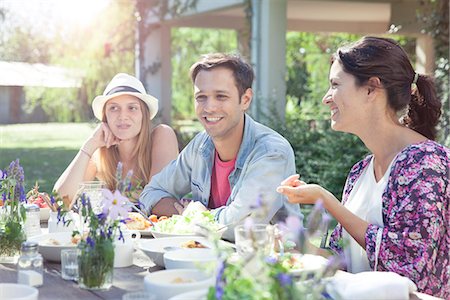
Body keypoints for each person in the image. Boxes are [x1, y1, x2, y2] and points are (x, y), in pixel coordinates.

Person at [277, 36, 449, 298]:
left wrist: (328, 201)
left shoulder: (426, 163)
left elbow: (410, 272)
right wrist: (293, 242)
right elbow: (344, 261)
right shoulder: (360, 171)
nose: (326, 98)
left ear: (371, 89)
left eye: (335, 85)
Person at [139, 53, 302, 240]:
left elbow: (240, 227)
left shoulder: (271, 152)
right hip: (206, 258)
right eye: (201, 97)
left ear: (246, 99)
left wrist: (197, 216)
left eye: (221, 96)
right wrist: (188, 215)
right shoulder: (200, 145)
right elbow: (151, 193)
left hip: (270, 263)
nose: (209, 107)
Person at [54, 73, 179, 203]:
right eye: (113, 108)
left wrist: (106, 197)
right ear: (105, 116)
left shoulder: (162, 136)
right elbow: (59, 202)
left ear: (144, 115)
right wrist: (89, 146)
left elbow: (155, 198)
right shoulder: (100, 155)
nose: (122, 116)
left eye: (132, 108)